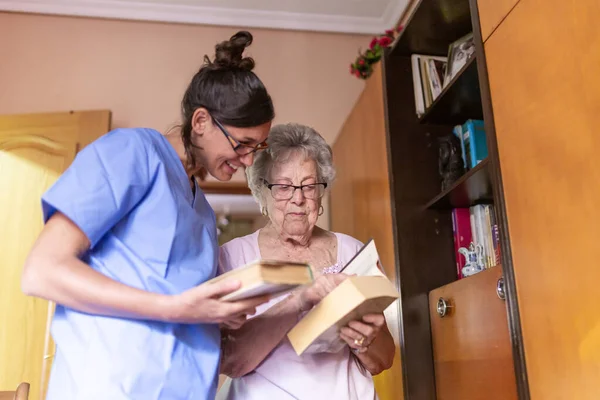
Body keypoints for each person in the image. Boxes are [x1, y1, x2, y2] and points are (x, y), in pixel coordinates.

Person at [21, 31, 274, 400]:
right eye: (242, 144)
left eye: (258, 147)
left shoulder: (202, 213)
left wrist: (217, 314)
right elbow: (41, 271)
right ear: (200, 121)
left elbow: (184, 309)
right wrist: (176, 308)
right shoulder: (131, 153)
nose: (249, 160)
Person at [217, 123, 395, 400]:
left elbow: (384, 360)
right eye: (284, 187)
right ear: (261, 190)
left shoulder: (353, 251)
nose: (298, 199)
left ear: (321, 192)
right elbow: (229, 361)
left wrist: (364, 341)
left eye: (309, 186)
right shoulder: (232, 257)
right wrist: (299, 301)